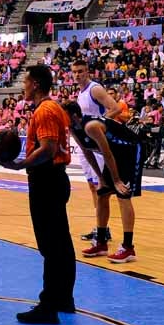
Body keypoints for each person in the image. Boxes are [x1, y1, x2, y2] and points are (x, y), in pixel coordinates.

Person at [5, 65, 75, 325]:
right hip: (57, 178)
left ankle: (48, 306)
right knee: (62, 244)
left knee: (51, 246)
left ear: (35, 84)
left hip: (46, 178)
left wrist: (20, 164)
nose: (23, 86)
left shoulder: (44, 110)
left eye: (25, 81)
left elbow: (47, 149)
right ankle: (64, 299)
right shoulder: (55, 107)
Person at [64, 101, 143, 264]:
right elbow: (88, 152)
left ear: (73, 115)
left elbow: (107, 154)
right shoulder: (73, 128)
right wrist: (100, 178)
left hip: (131, 149)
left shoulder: (91, 126)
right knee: (102, 193)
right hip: (115, 155)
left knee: (123, 194)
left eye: (62, 114)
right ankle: (101, 243)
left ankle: (128, 248)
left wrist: (116, 180)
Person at [70, 60, 122, 243]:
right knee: (93, 186)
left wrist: (98, 125)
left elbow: (115, 108)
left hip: (97, 143)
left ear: (87, 72)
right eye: (75, 72)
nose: (77, 75)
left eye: (81, 71)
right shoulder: (80, 93)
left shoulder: (95, 89)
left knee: (102, 188)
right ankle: (101, 227)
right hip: (86, 143)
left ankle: (103, 230)